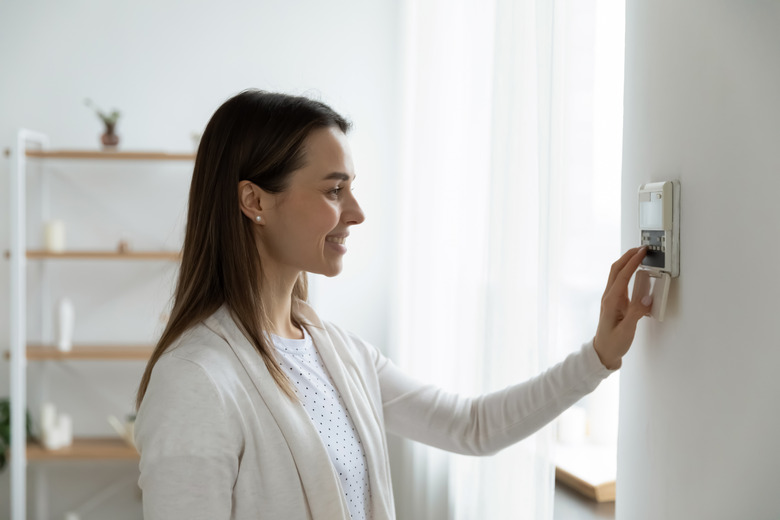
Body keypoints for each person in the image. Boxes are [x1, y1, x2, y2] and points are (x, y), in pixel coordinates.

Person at [134, 89, 651, 520]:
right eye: (334, 190)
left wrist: (599, 355)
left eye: (351, 189)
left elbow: (472, 426)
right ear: (255, 201)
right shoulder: (196, 379)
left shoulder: (337, 354)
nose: (356, 212)